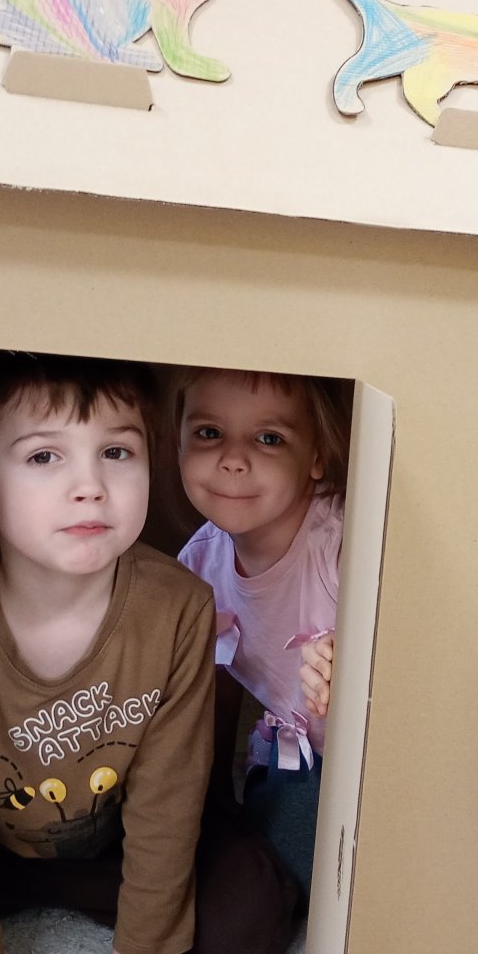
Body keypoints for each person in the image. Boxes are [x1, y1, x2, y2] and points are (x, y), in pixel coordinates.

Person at [0, 351, 295, 954]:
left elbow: (171, 792)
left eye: (116, 453)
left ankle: (85, 897)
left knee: (250, 919)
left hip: (121, 842)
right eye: (44, 457)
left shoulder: (178, 605)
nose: (89, 485)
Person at [175, 369, 349, 894]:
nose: (233, 459)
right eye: (209, 433)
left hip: (384, 758)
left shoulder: (342, 543)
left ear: (316, 457)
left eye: (268, 438)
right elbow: (215, 684)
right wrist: (212, 797)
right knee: (292, 869)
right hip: (299, 752)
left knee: (360, 877)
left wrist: (359, 652)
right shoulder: (198, 566)